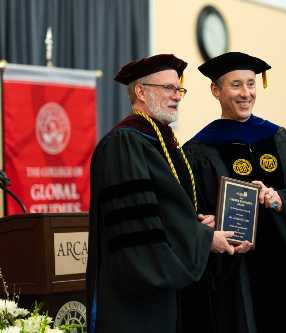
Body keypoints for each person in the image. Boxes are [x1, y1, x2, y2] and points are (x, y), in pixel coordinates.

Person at [179, 52, 286, 333]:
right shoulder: (196, 152)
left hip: (283, 269)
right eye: (236, 85)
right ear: (216, 90)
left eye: (251, 84)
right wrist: (204, 228)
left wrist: (282, 200)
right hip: (232, 278)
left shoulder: (283, 140)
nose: (246, 93)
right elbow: (186, 212)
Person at [86, 54, 237, 333]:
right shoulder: (124, 143)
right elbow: (138, 226)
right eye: (168, 88)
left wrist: (195, 226)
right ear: (141, 91)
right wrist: (202, 240)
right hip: (135, 298)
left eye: (178, 89)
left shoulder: (162, 142)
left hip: (164, 293)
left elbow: (163, 211)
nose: (177, 96)